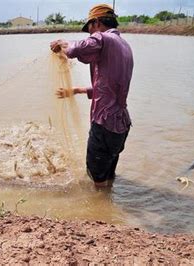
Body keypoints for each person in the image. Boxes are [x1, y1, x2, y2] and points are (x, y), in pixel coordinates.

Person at [50, 4, 133, 188]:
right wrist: (75, 90)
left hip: (104, 123)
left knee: (96, 175)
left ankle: (102, 210)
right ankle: (109, 204)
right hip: (121, 124)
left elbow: (76, 49)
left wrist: (62, 44)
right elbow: (108, 87)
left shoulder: (103, 38)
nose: (89, 34)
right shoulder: (124, 45)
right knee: (108, 171)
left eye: (89, 28)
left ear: (96, 22)